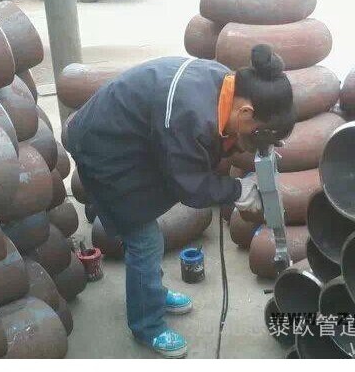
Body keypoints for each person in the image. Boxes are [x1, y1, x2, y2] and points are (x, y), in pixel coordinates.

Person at [67, 44, 295, 358]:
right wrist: (236, 191)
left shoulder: (225, 84)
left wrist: (244, 146)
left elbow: (206, 144)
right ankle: (147, 325)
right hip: (103, 148)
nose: (252, 142)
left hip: (131, 135)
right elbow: (189, 185)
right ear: (245, 112)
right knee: (144, 240)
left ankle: (152, 293)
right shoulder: (188, 115)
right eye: (256, 133)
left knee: (148, 234)